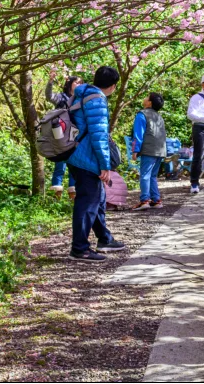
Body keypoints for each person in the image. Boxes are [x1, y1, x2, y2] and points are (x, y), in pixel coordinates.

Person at [65, 66, 126, 262]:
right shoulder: (97, 99)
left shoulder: (80, 93)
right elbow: (98, 135)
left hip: (75, 153)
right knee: (88, 202)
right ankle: (79, 248)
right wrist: (104, 164)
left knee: (97, 198)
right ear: (113, 86)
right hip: (87, 157)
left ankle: (104, 239)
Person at [46, 71, 82, 198]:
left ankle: (73, 194)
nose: (79, 84)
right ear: (69, 84)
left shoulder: (80, 99)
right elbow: (49, 96)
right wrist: (50, 81)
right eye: (76, 82)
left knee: (73, 162)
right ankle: (56, 194)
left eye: (80, 83)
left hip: (75, 133)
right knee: (60, 162)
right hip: (60, 133)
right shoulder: (61, 97)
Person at [131, 92, 166, 210]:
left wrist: (135, 150)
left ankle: (144, 200)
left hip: (149, 150)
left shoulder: (142, 114)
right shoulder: (159, 116)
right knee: (153, 176)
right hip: (160, 150)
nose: (144, 98)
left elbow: (138, 134)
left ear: (149, 102)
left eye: (147, 97)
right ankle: (156, 200)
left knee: (145, 175)